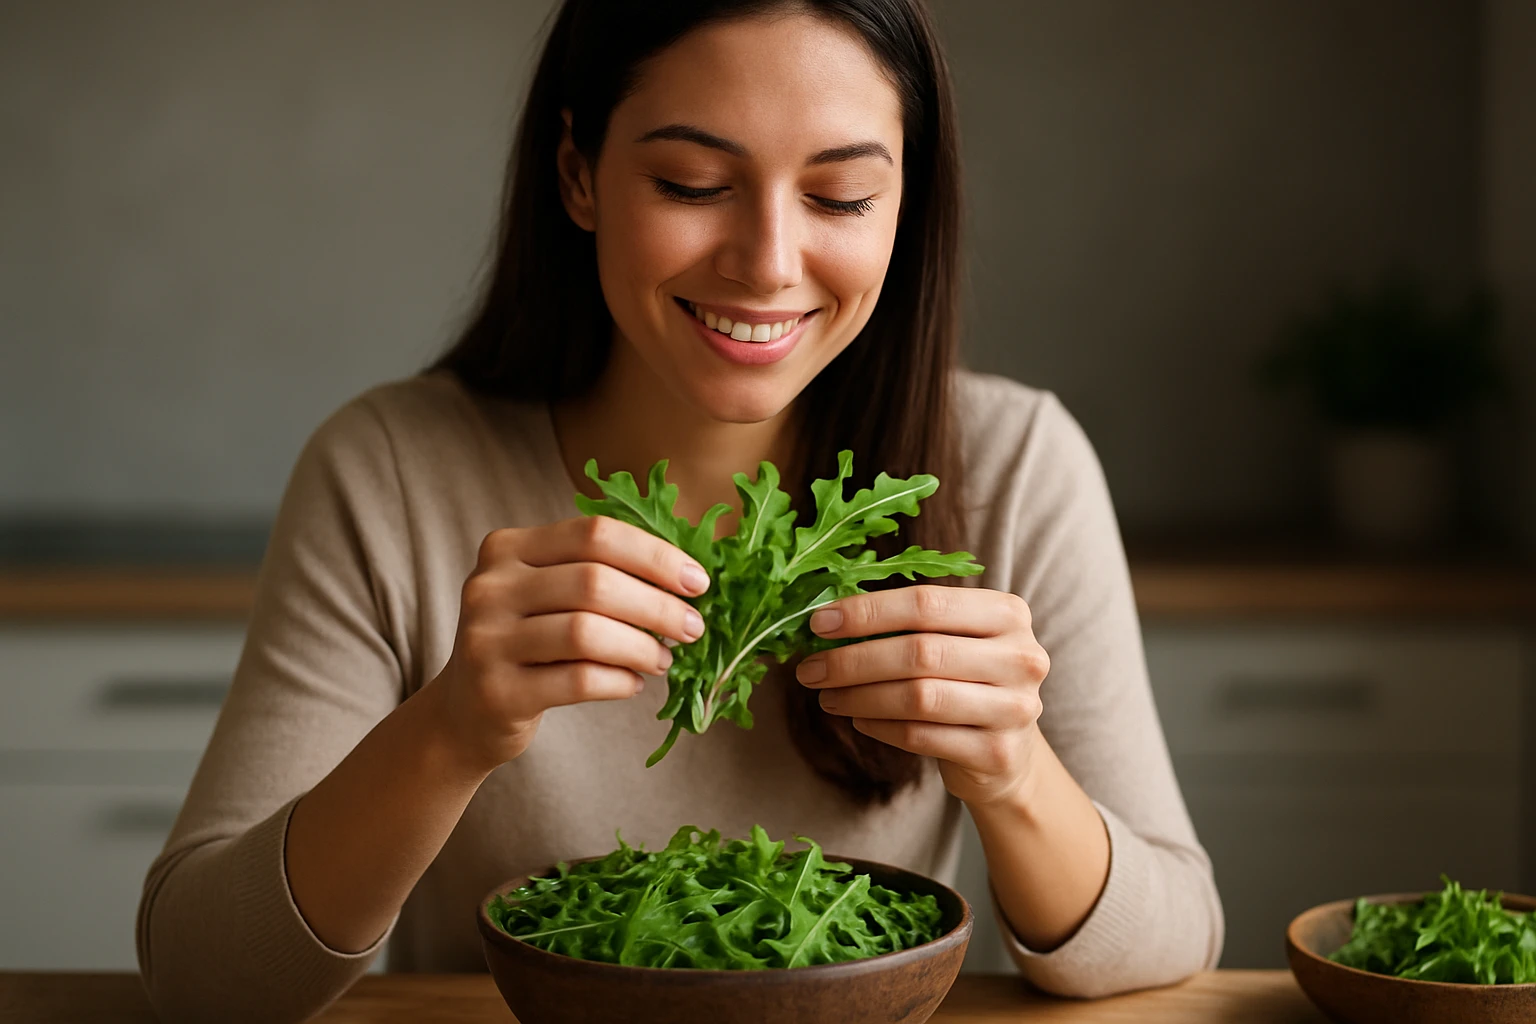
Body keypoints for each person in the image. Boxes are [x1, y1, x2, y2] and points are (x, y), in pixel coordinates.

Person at [136, 1, 1223, 1020]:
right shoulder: (388, 471)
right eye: (695, 183)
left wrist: (1012, 769)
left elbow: (1174, 938)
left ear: (905, 205)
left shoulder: (1014, 463)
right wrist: (448, 730)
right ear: (579, 174)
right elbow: (201, 971)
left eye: (841, 196)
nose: (768, 263)